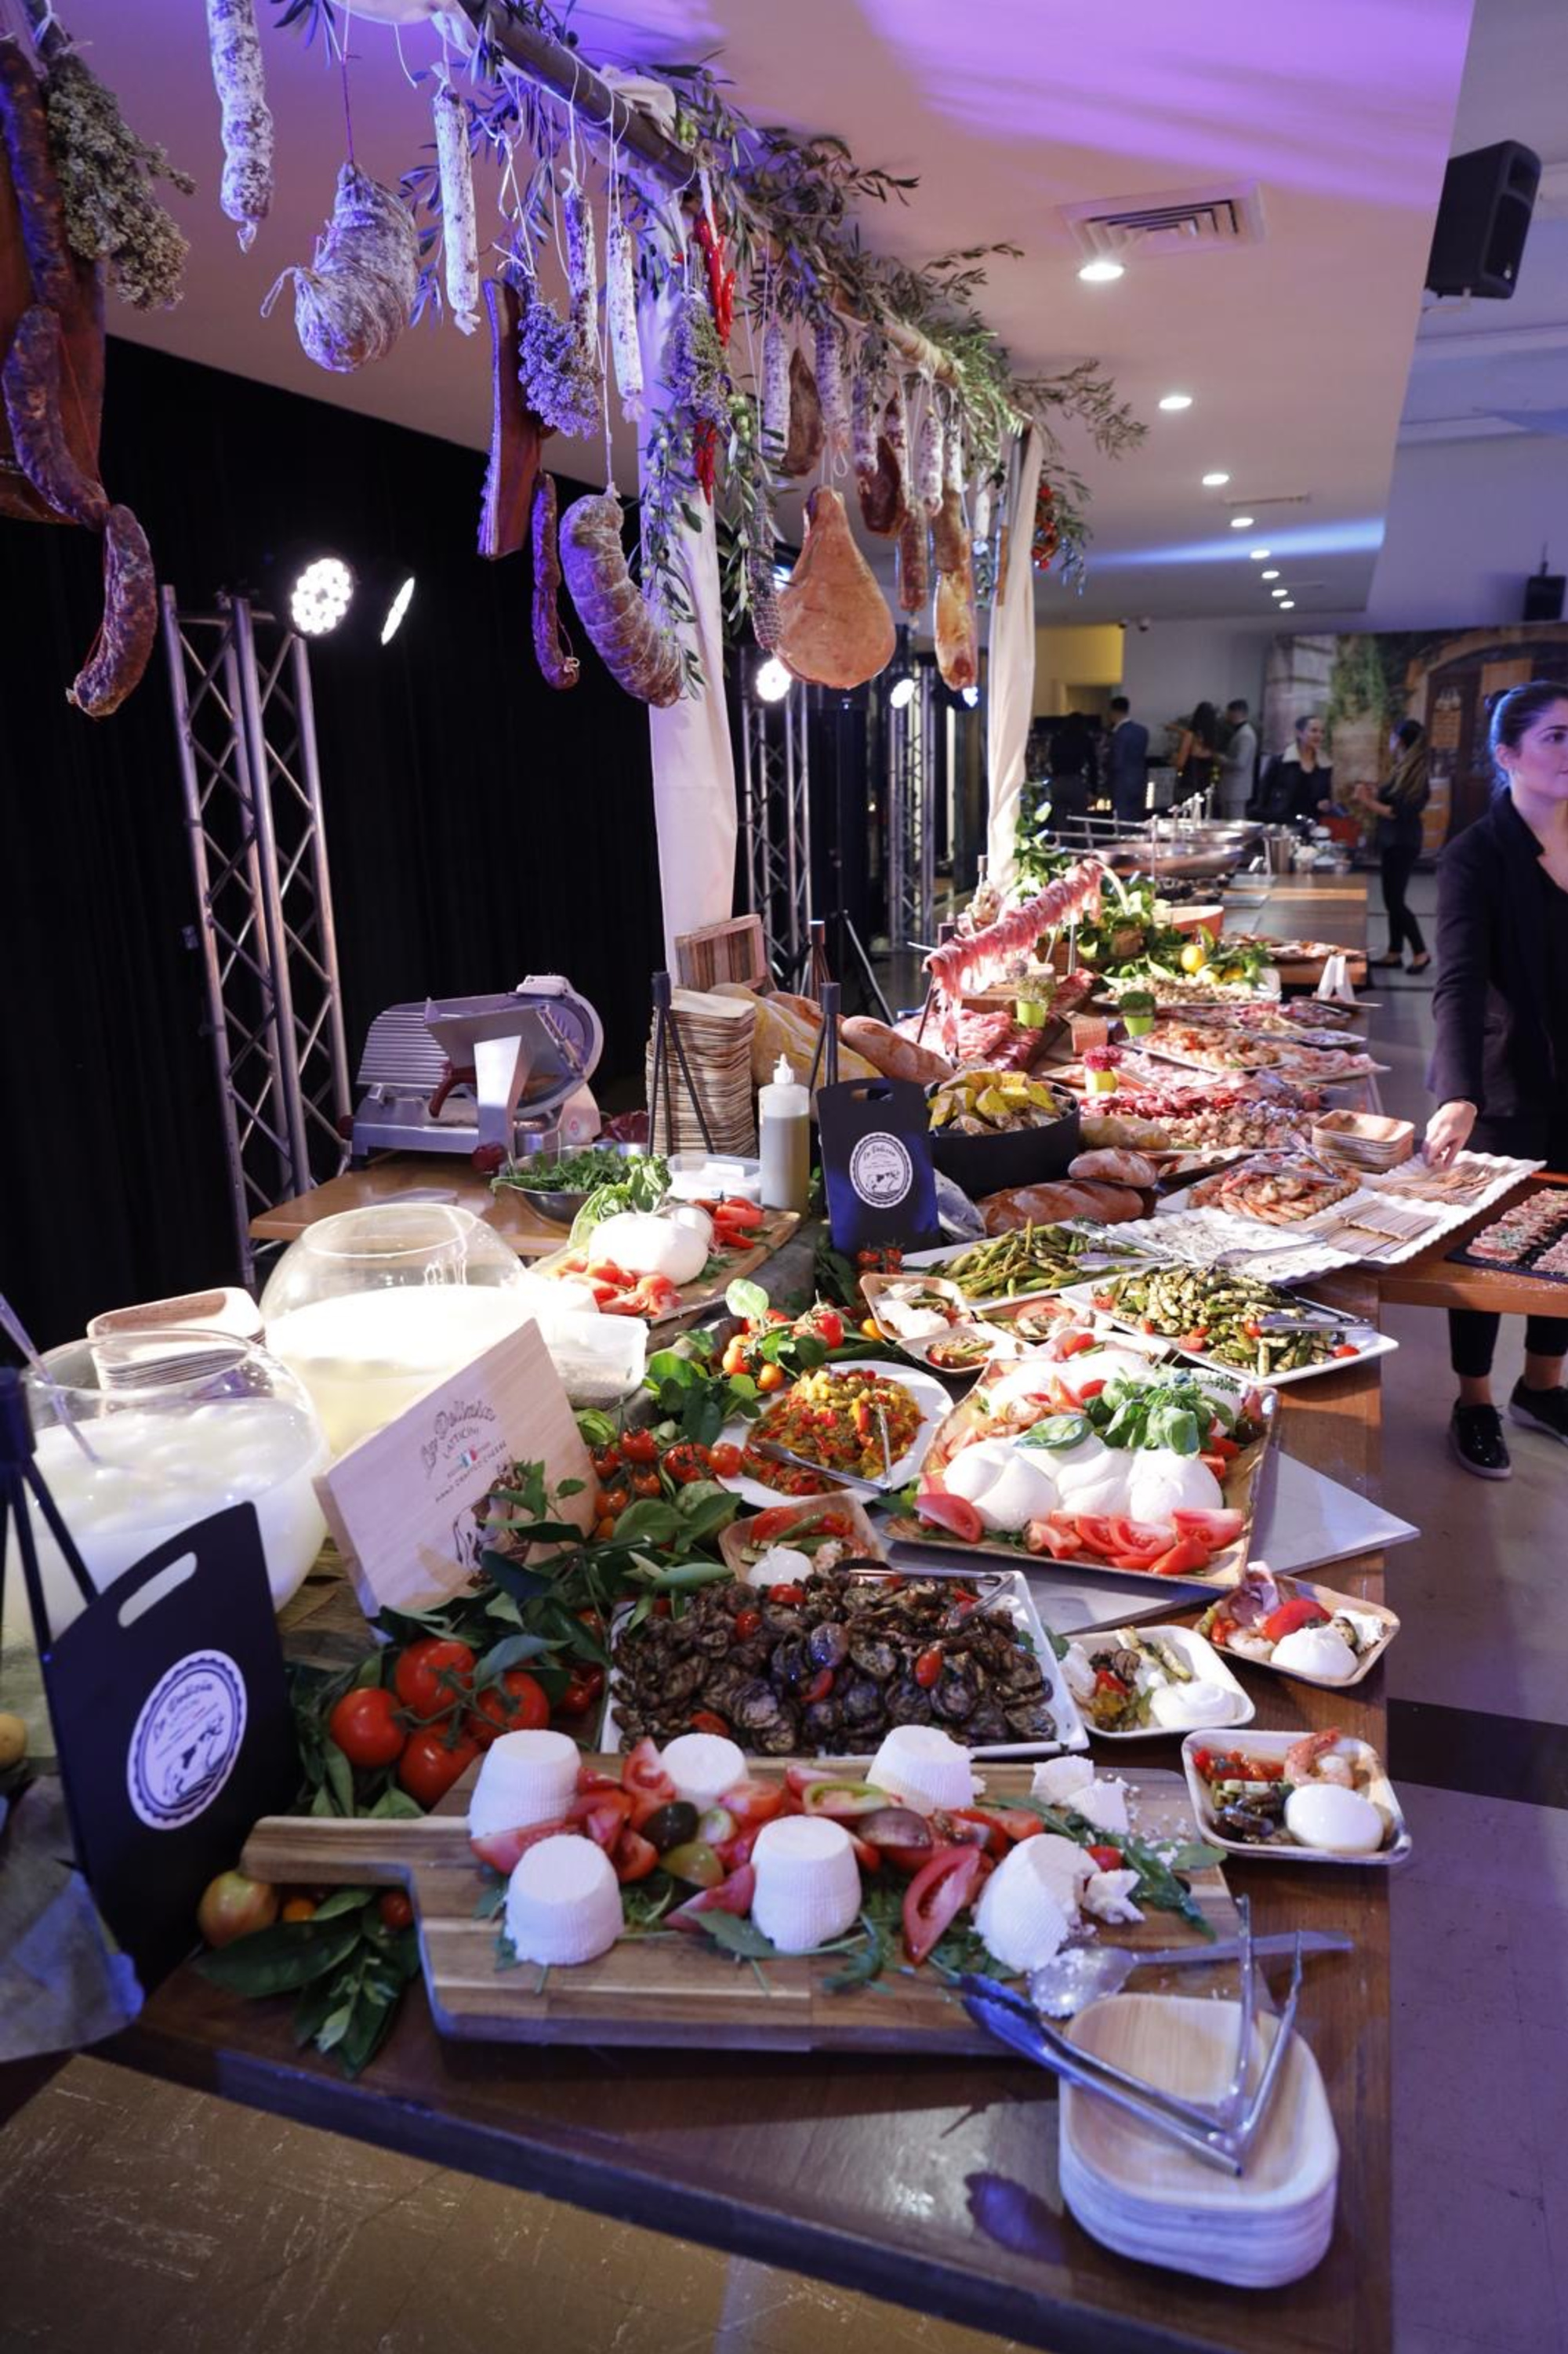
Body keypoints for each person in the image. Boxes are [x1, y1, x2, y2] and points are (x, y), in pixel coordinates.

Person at [1426, 678, 1568, 1478]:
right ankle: (1473, 1397)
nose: (1566, 751)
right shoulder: (1473, 856)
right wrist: (1455, 1090)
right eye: (1553, 735)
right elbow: (1455, 981)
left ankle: (1541, 1385)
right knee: (1481, 1249)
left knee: (1566, 1238)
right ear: (1507, 754)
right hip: (1500, 1077)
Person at [1356, 719, 1432, 973]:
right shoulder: (1404, 768)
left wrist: (1366, 801)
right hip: (1395, 842)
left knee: (1396, 901)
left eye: (1391, 737)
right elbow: (1393, 799)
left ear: (1399, 740)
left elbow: (1396, 812)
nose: (1389, 742)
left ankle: (1420, 953)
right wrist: (1376, 791)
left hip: (1403, 843)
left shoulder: (1416, 773)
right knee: (1392, 900)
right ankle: (1394, 952)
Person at [1255, 714, 1334, 828]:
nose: (1319, 735)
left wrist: (1325, 804)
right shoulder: (1280, 762)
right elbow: (1264, 795)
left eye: (1322, 732)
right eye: (1314, 731)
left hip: (1310, 824)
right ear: (1299, 733)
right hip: (1281, 823)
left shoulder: (1325, 765)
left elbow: (1325, 795)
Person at [1105, 694, 1149, 823]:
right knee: (1136, 821)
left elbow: (1117, 762)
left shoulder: (1118, 734)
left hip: (1121, 783)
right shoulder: (1142, 731)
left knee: (1122, 822)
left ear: (1114, 712)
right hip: (1139, 780)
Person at [1047, 710, 1094, 827]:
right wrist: (1093, 789)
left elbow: (1051, 760)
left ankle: (1064, 845)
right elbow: (1093, 764)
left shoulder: (1056, 740)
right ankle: (1083, 845)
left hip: (1058, 783)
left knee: (1061, 823)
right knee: (1081, 822)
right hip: (1076, 782)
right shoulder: (1085, 739)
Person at [1217, 699, 1258, 817]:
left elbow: (1240, 763)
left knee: (1235, 825)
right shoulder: (1241, 732)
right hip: (1233, 788)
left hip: (1237, 789)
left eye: (1228, 712)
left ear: (1236, 713)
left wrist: (1220, 758)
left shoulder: (1245, 735)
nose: (1227, 715)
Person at [1172, 701, 1220, 801]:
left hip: (1191, 777)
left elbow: (1181, 762)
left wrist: (1174, 760)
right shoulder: (1214, 736)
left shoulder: (1191, 735)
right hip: (1208, 778)